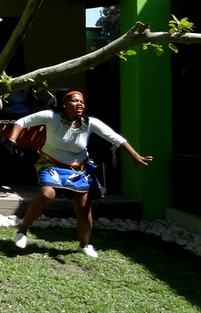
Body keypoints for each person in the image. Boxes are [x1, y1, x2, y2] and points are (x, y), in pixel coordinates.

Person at [8, 88, 153, 258]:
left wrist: (135, 156)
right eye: (75, 101)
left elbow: (115, 138)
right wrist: (12, 139)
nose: (79, 104)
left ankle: (85, 244)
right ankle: (22, 231)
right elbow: (22, 122)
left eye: (82, 101)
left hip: (78, 168)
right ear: (63, 103)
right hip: (51, 164)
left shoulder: (89, 122)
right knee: (46, 194)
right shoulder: (50, 116)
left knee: (84, 208)